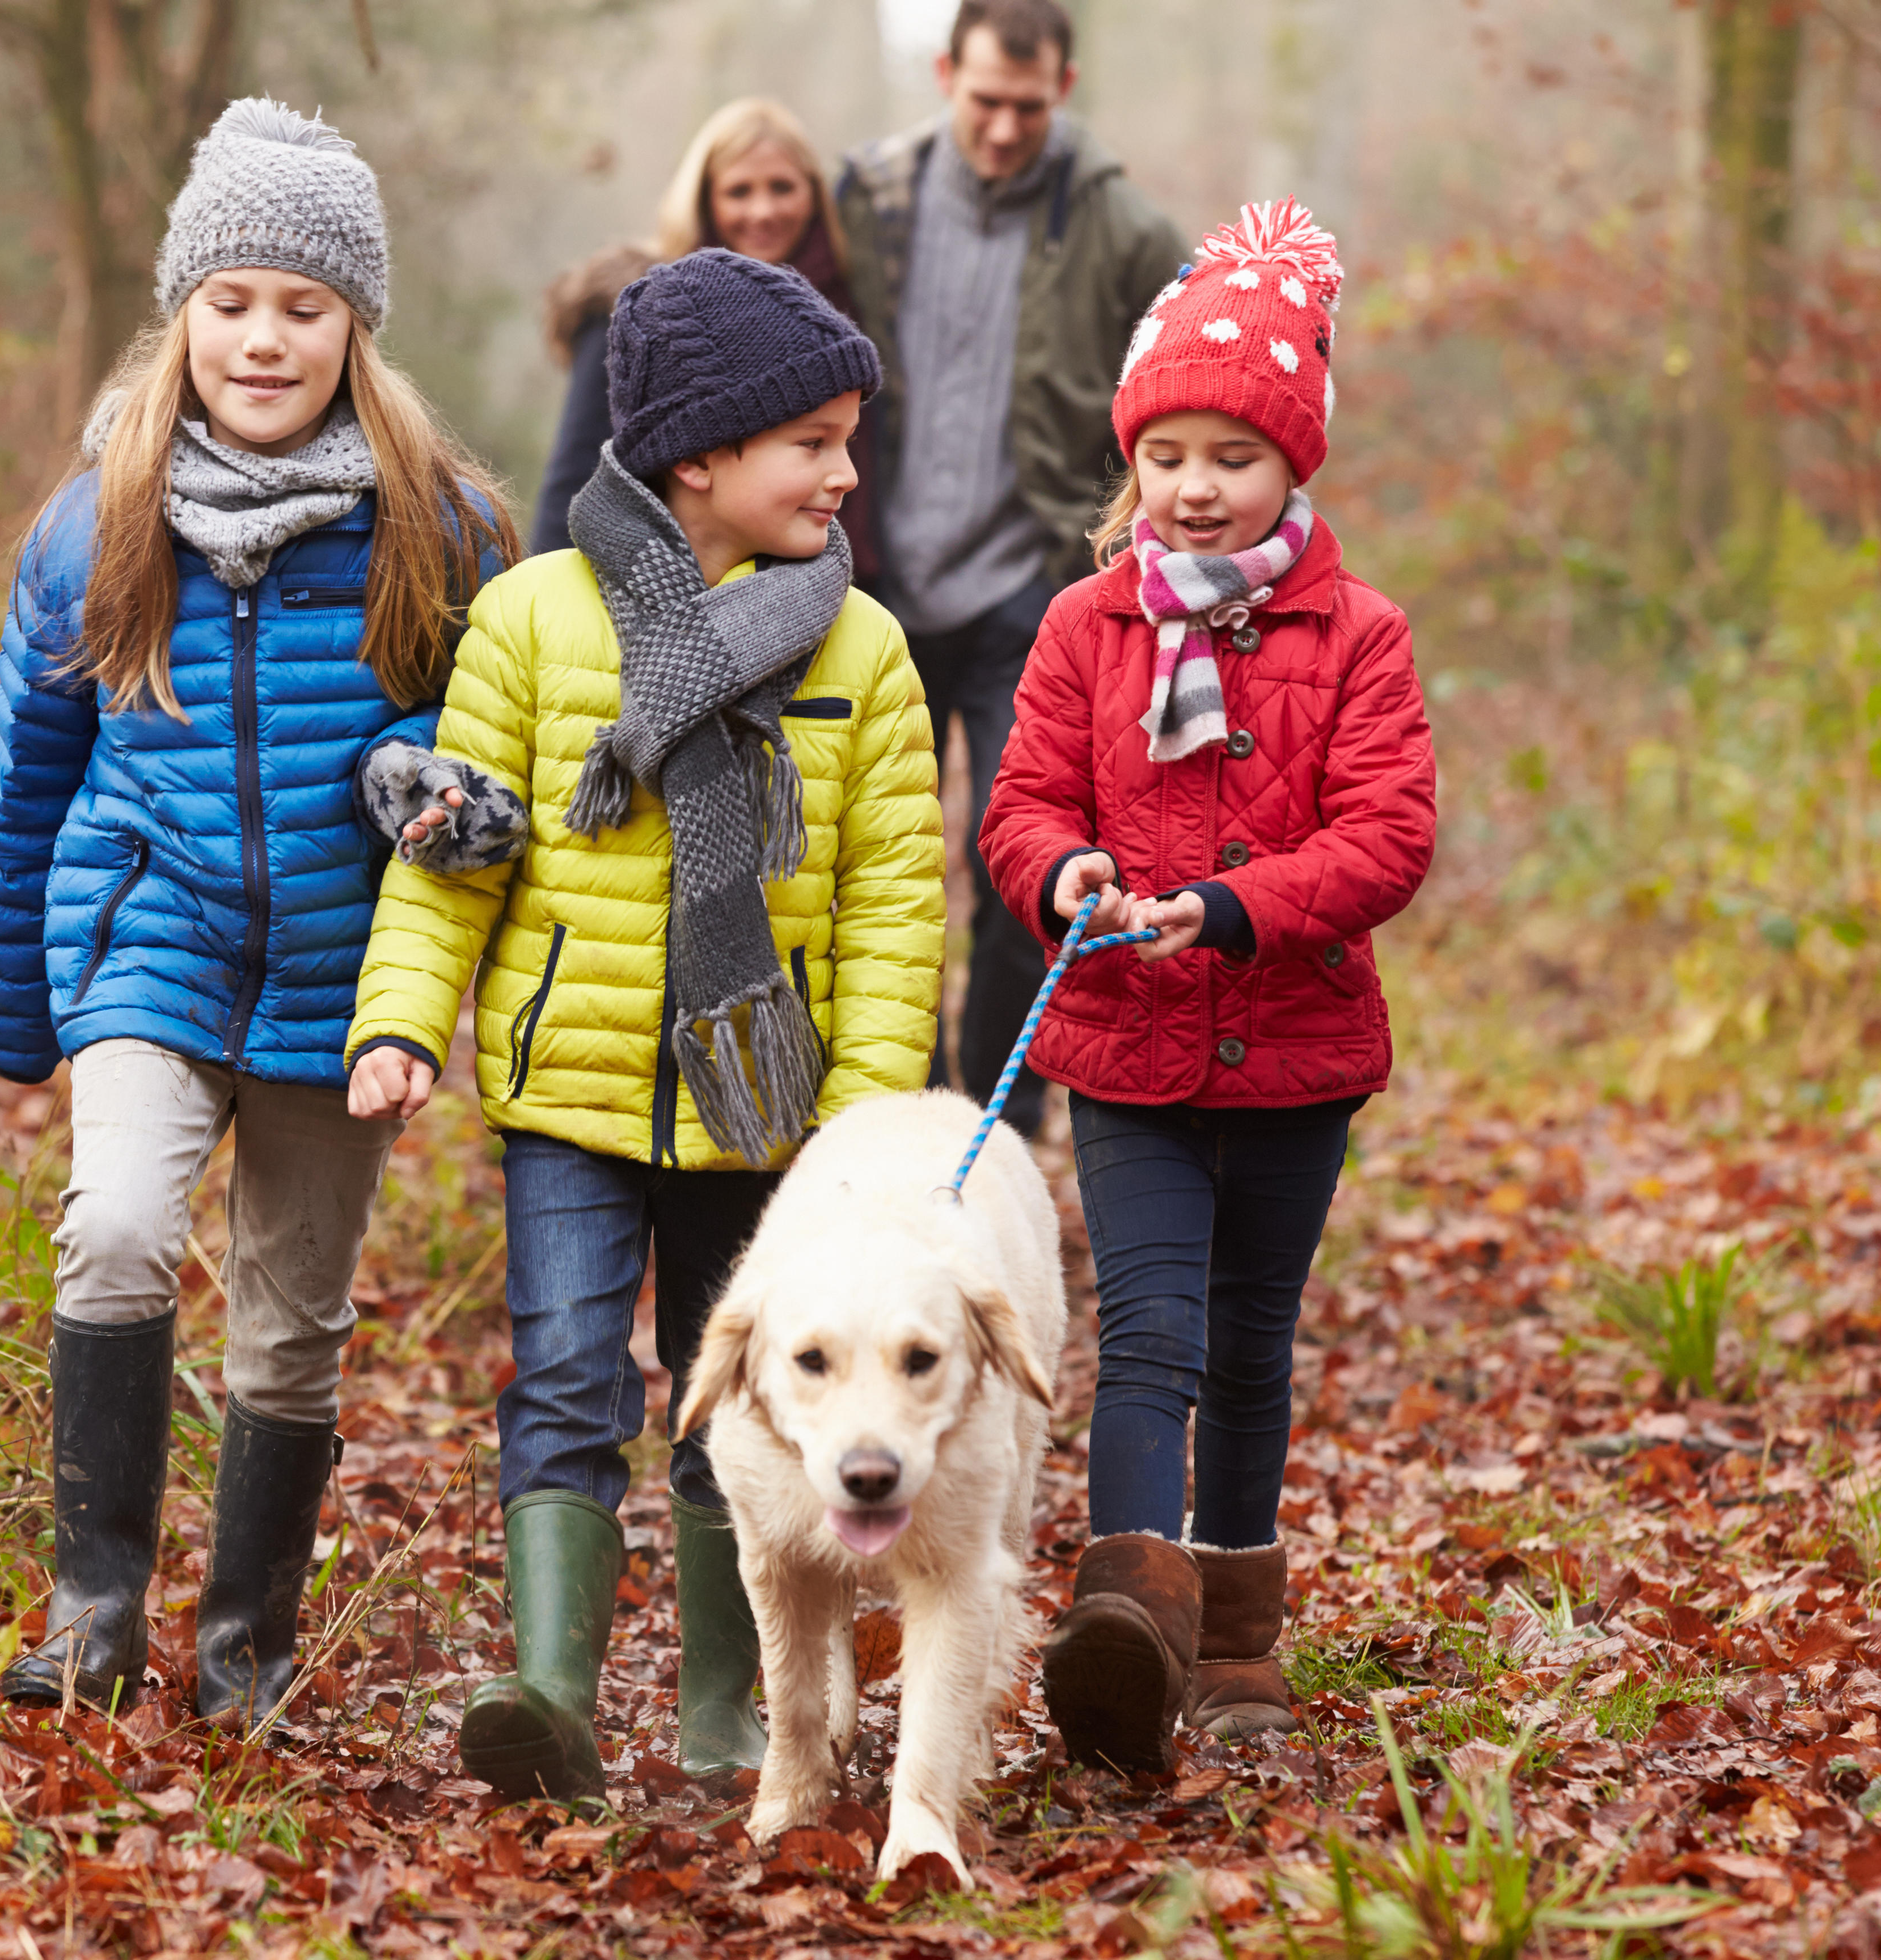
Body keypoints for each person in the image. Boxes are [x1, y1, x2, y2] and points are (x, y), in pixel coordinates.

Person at [343, 250, 944, 1798]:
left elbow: (891, 911)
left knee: (732, 1392)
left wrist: (871, 1129)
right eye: (809, 440)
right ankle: (550, 1692)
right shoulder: (534, 623)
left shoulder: (859, 648)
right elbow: (452, 854)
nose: (844, 470)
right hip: (571, 1092)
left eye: (845, 438)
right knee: (560, 1379)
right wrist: (400, 1022)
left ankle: (727, 1709)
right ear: (701, 454)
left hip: (770, 1113)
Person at [0, 99, 520, 1722]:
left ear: (356, 327)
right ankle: (91, 1610)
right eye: (231, 302)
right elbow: (29, 783)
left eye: (303, 306)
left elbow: (503, 765)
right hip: (149, 938)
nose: (263, 340)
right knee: (123, 1223)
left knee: (290, 1324)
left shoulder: (447, 527)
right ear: (182, 310)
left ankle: (245, 1648)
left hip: (345, 975)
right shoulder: (94, 523)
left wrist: (446, 801)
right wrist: (11, 1005)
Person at [977, 201, 1438, 1772]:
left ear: (1290, 467)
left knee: (1250, 1344)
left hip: (1300, 1047)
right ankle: (1127, 1626)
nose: (1193, 487)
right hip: (1128, 1048)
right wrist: (1065, 878)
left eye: (1229, 458)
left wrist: (1236, 909)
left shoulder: (1359, 636)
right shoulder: (1083, 629)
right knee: (1151, 1334)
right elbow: (1023, 804)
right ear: (1133, 466)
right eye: (1165, 455)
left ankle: (1240, 1641)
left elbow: (1387, 839)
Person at [836, 0, 1187, 1138]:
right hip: (874, 578)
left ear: (1065, 91)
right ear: (946, 73)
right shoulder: (871, 200)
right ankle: (893, 1098)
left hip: (1027, 588)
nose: (1001, 129)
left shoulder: (1125, 231)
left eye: (1027, 109)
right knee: (873, 861)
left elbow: (1174, 395)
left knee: (1017, 860)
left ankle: (990, 1107)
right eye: (984, 101)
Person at [531, 98, 874, 572]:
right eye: (739, 191)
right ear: (704, 197)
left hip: (838, 572)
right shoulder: (642, 314)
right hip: (662, 578)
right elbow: (576, 472)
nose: (763, 210)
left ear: (814, 196)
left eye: (782, 187)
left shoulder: (852, 309)